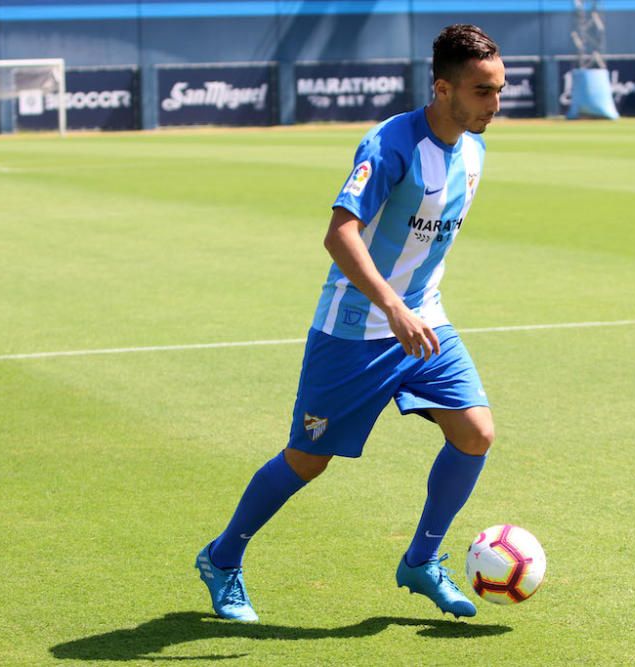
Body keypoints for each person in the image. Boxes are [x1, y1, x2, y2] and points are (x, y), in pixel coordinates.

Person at [196, 23, 506, 622]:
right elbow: (339, 234)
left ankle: (420, 559)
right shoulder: (389, 145)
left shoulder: (476, 147)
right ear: (443, 89)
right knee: (308, 460)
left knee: (476, 433)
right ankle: (223, 555)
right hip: (356, 331)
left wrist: (412, 307)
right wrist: (391, 305)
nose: (494, 106)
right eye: (481, 92)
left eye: (499, 90)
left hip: (424, 324)